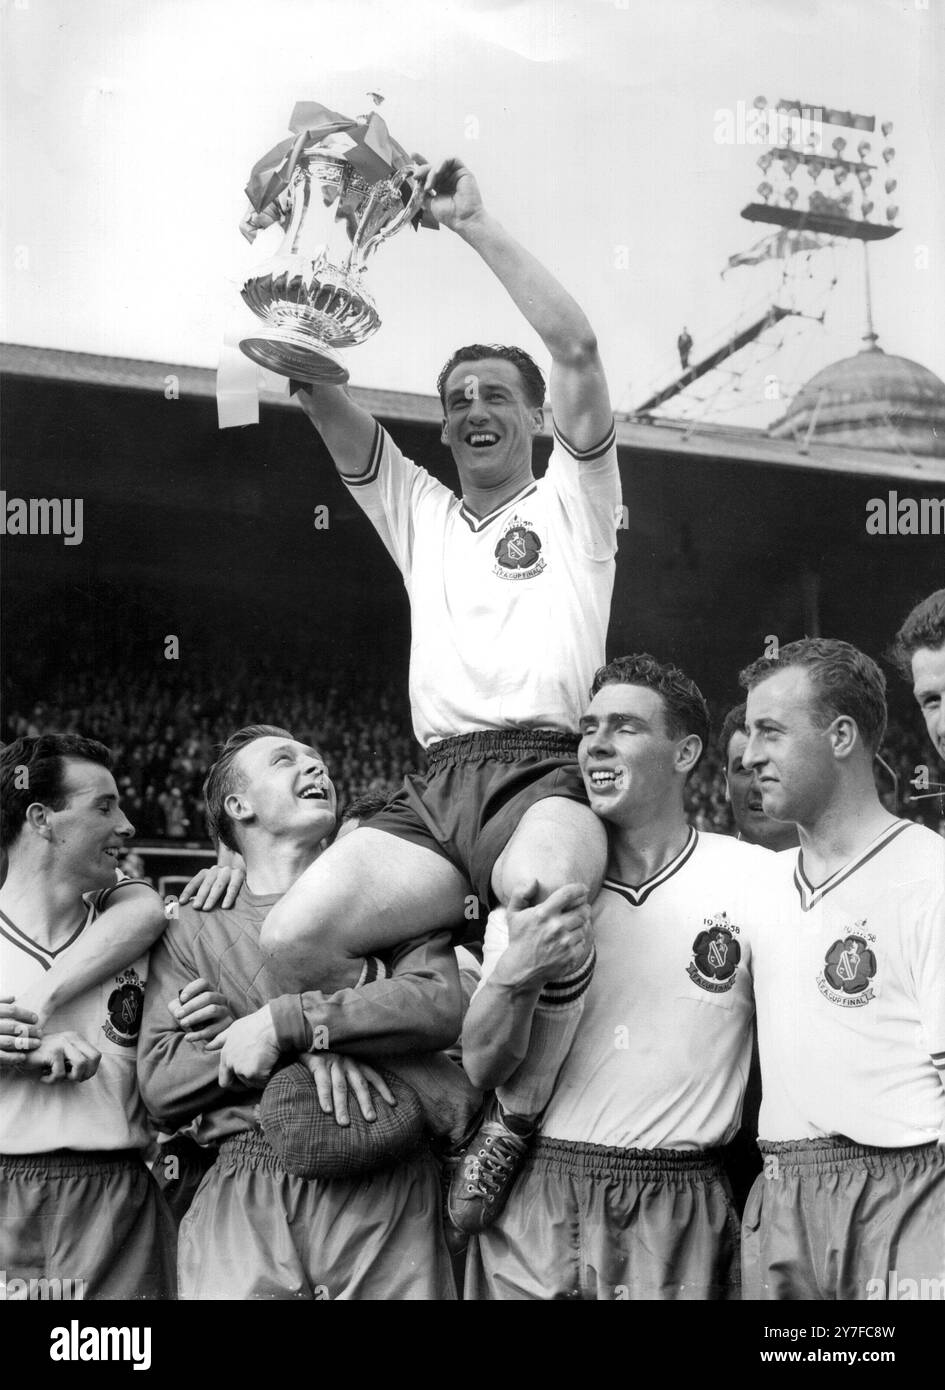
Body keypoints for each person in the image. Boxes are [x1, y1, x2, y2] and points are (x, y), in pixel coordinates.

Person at [258, 156, 621, 1198]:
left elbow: (579, 347)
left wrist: (471, 221)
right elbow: (315, 383)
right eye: (455, 397)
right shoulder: (415, 506)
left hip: (544, 772)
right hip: (433, 787)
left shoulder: (573, 501)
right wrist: (312, 250)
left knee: (544, 894)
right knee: (291, 936)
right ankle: (427, 1065)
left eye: (495, 395)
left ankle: (514, 1113)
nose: (470, 410)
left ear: (538, 418)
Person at [460, 655, 771, 1299]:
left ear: (684, 752)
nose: (595, 743)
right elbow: (482, 1066)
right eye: (589, 726)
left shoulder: (753, 879)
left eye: (624, 726)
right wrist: (517, 972)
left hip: (677, 1195)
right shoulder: (542, 878)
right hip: (539, 1191)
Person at [137, 725, 462, 1300]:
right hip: (249, 1177)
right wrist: (306, 1044)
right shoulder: (191, 922)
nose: (316, 769)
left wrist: (279, 1026)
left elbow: (437, 1004)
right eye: (286, 761)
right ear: (239, 806)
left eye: (318, 759)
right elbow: (162, 1086)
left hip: (387, 1177)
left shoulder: (399, 897)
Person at [739, 638, 945, 1300]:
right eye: (747, 735)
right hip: (779, 1193)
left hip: (904, 1193)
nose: (748, 758)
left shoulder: (928, 873)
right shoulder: (755, 887)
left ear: (840, 736)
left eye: (769, 732)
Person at [0, 735, 175, 1299]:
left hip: (116, 1199)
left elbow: (147, 909)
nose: (126, 825)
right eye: (104, 806)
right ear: (42, 819)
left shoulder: (145, 929)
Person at [718, 702, 799, 851]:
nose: (757, 785)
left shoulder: (847, 870)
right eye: (743, 768)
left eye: (772, 766)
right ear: (727, 783)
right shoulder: (702, 872)